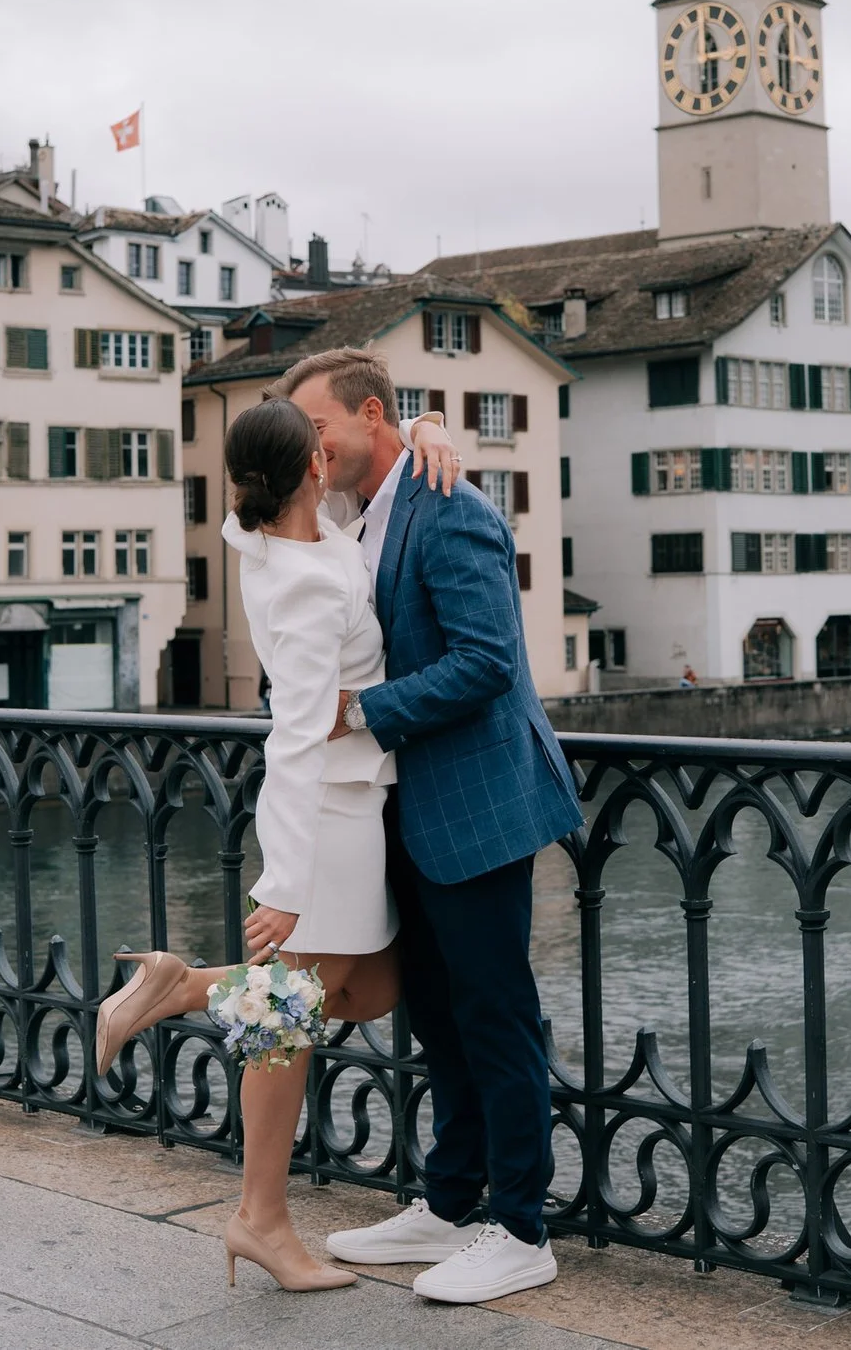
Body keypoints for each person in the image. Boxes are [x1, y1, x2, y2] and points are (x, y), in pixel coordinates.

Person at [278, 347, 583, 1306]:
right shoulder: (362, 511)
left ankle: (524, 1227)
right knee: (441, 1014)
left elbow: (490, 661)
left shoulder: (451, 505)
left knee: (495, 1015)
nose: (309, 450)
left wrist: (358, 712)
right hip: (408, 803)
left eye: (318, 429)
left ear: (372, 416)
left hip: (479, 801)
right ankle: (451, 1202)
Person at [92, 398, 403, 1292]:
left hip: (352, 809)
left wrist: (420, 432)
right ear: (311, 466)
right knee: (289, 1013)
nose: (333, 449)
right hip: (335, 819)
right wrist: (285, 880)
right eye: (322, 443)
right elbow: (296, 738)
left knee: (364, 987)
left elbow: (336, 502)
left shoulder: (274, 538)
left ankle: (178, 984)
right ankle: (260, 1218)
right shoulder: (305, 579)